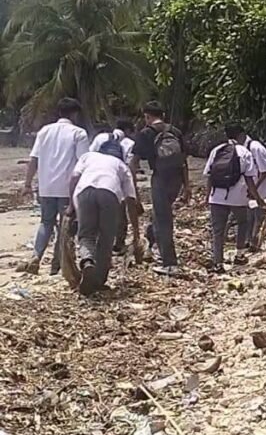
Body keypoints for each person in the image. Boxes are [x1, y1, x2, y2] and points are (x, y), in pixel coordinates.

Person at [23, 97, 89, 275]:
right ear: (75, 114)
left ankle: (36, 256)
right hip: (67, 188)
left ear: (59, 112)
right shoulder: (79, 133)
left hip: (45, 186)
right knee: (64, 226)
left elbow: (33, 160)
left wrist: (27, 184)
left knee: (45, 222)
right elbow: (84, 162)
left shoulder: (44, 131)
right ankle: (57, 264)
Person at [69, 139, 140, 294]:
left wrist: (70, 206)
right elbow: (130, 200)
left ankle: (87, 260)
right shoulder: (122, 166)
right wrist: (136, 231)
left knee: (86, 235)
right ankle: (98, 281)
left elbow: (74, 178)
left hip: (85, 191)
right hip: (110, 193)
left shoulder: (88, 157)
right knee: (106, 239)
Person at [131, 102, 189, 276]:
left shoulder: (146, 134)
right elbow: (184, 160)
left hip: (160, 179)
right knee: (160, 214)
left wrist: (133, 189)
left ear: (147, 117)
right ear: (162, 115)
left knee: (163, 220)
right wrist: (187, 187)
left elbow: (134, 163)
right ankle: (150, 240)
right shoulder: (175, 132)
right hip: (177, 180)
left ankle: (169, 263)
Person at [204, 124, 260, 272]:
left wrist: (207, 196)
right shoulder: (245, 152)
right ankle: (240, 255)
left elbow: (209, 175)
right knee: (243, 222)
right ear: (241, 135)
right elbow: (249, 179)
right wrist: (258, 198)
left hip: (216, 196)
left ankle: (218, 263)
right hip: (238, 198)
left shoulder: (216, 150)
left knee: (218, 231)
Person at [91, 119, 137, 253]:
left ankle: (97, 242)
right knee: (120, 215)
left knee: (97, 213)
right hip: (117, 182)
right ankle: (118, 243)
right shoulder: (129, 143)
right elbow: (130, 167)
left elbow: (90, 155)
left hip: (95, 179)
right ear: (128, 131)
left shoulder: (100, 137)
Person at [246, 134, 266, 249]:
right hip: (255, 189)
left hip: (264, 188)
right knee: (251, 214)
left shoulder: (255, 148)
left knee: (260, 215)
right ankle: (249, 240)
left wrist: (254, 188)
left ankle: (255, 242)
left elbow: (264, 171)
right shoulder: (246, 148)